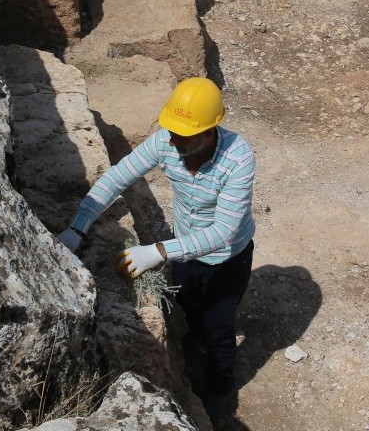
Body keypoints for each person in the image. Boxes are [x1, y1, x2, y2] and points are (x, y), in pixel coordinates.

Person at [57, 77, 256, 422]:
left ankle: (221, 387)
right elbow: (118, 176)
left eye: (184, 135)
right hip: (183, 250)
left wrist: (157, 251)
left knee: (220, 327)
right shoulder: (167, 141)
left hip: (227, 260)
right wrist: (79, 225)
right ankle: (192, 346)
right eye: (172, 131)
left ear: (209, 132)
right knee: (189, 307)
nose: (174, 140)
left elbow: (224, 231)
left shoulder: (238, 159)